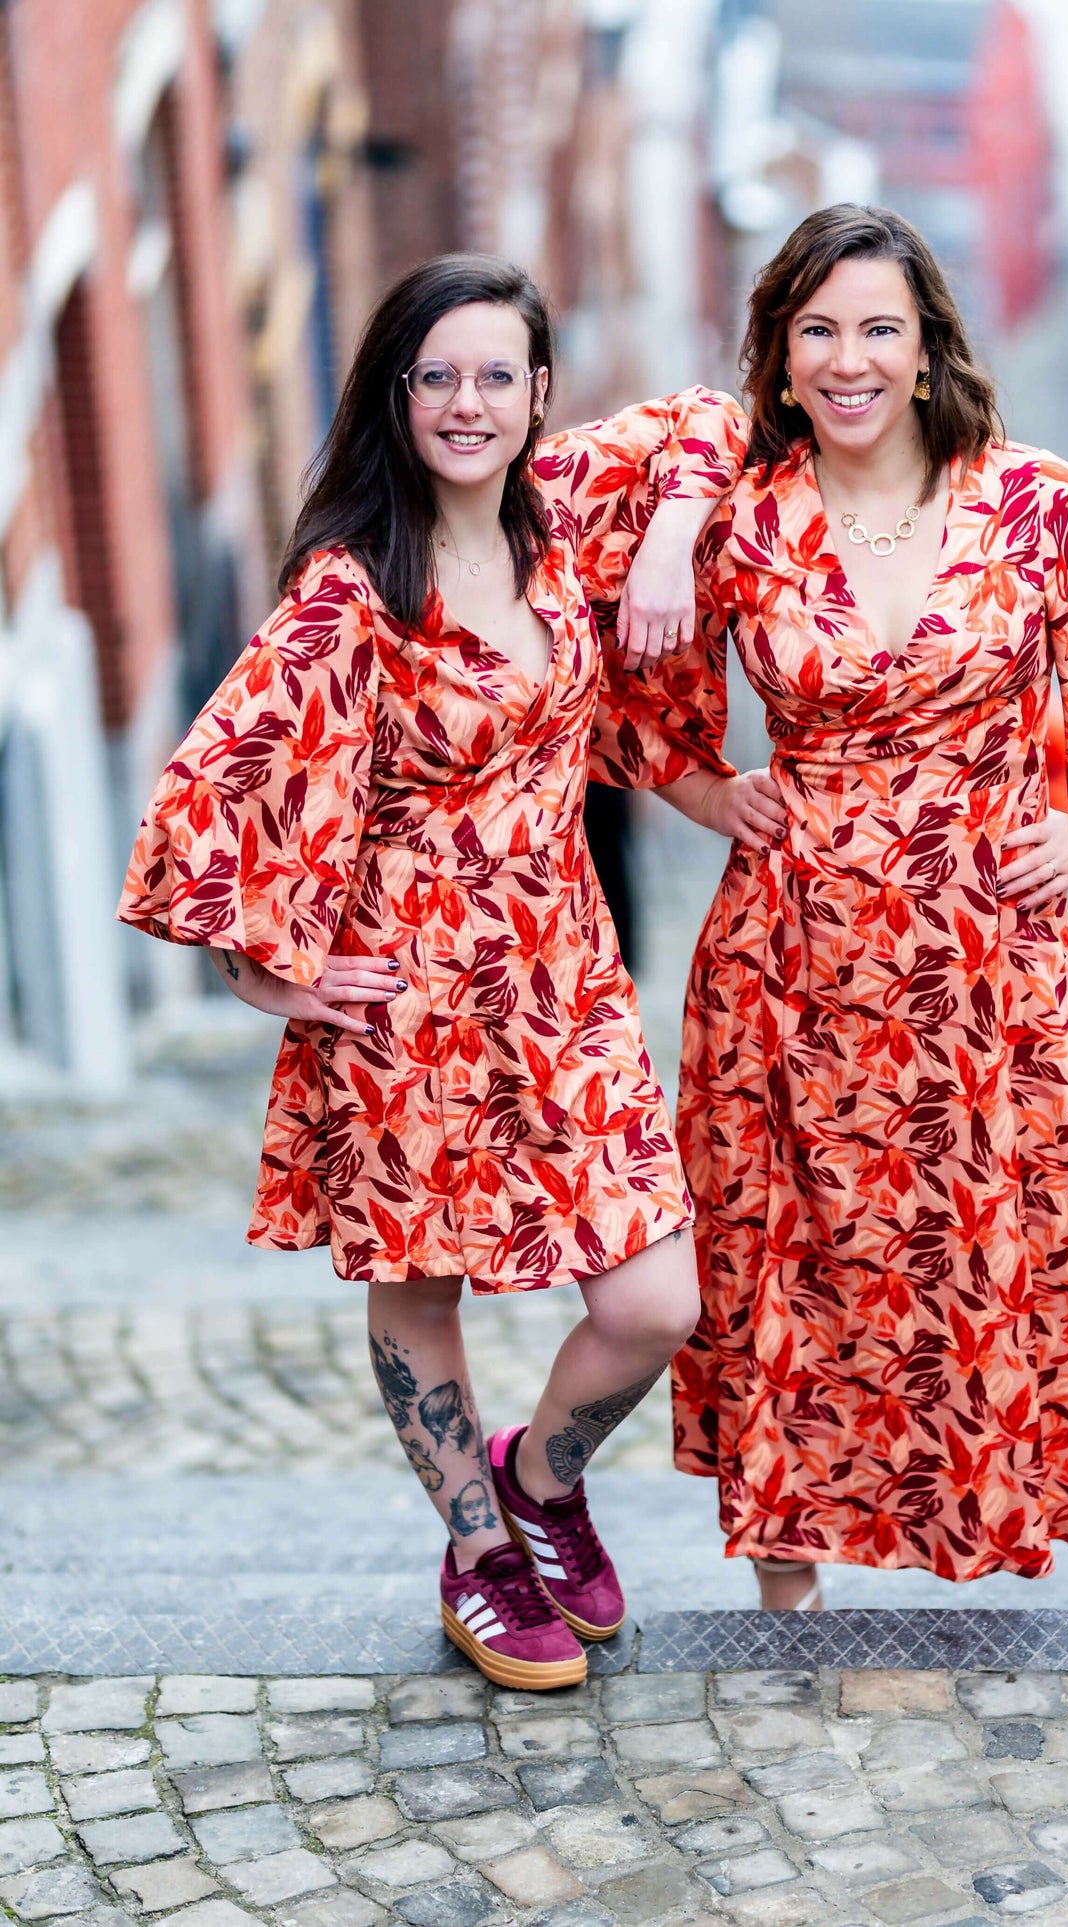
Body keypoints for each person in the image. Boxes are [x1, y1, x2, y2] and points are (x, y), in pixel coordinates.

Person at [594, 205, 1068, 1614]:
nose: (847, 360)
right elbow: (619, 677)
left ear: (926, 353)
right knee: (797, 1255)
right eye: (817, 332)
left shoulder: (1031, 501)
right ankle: (787, 1580)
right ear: (780, 357)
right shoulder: (742, 515)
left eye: (878, 330)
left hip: (990, 962)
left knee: (1062, 1236)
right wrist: (710, 786)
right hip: (790, 960)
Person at [117, 254, 751, 1689]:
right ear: (397, 398)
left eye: (495, 376)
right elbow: (211, 786)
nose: (468, 403)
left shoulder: (568, 511)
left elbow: (709, 418)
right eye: (436, 377)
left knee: (655, 1301)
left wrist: (669, 540)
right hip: (408, 1000)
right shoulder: (353, 593)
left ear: (537, 392)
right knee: (422, 1287)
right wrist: (265, 975)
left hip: (566, 979)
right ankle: (478, 1554)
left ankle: (538, 1482)